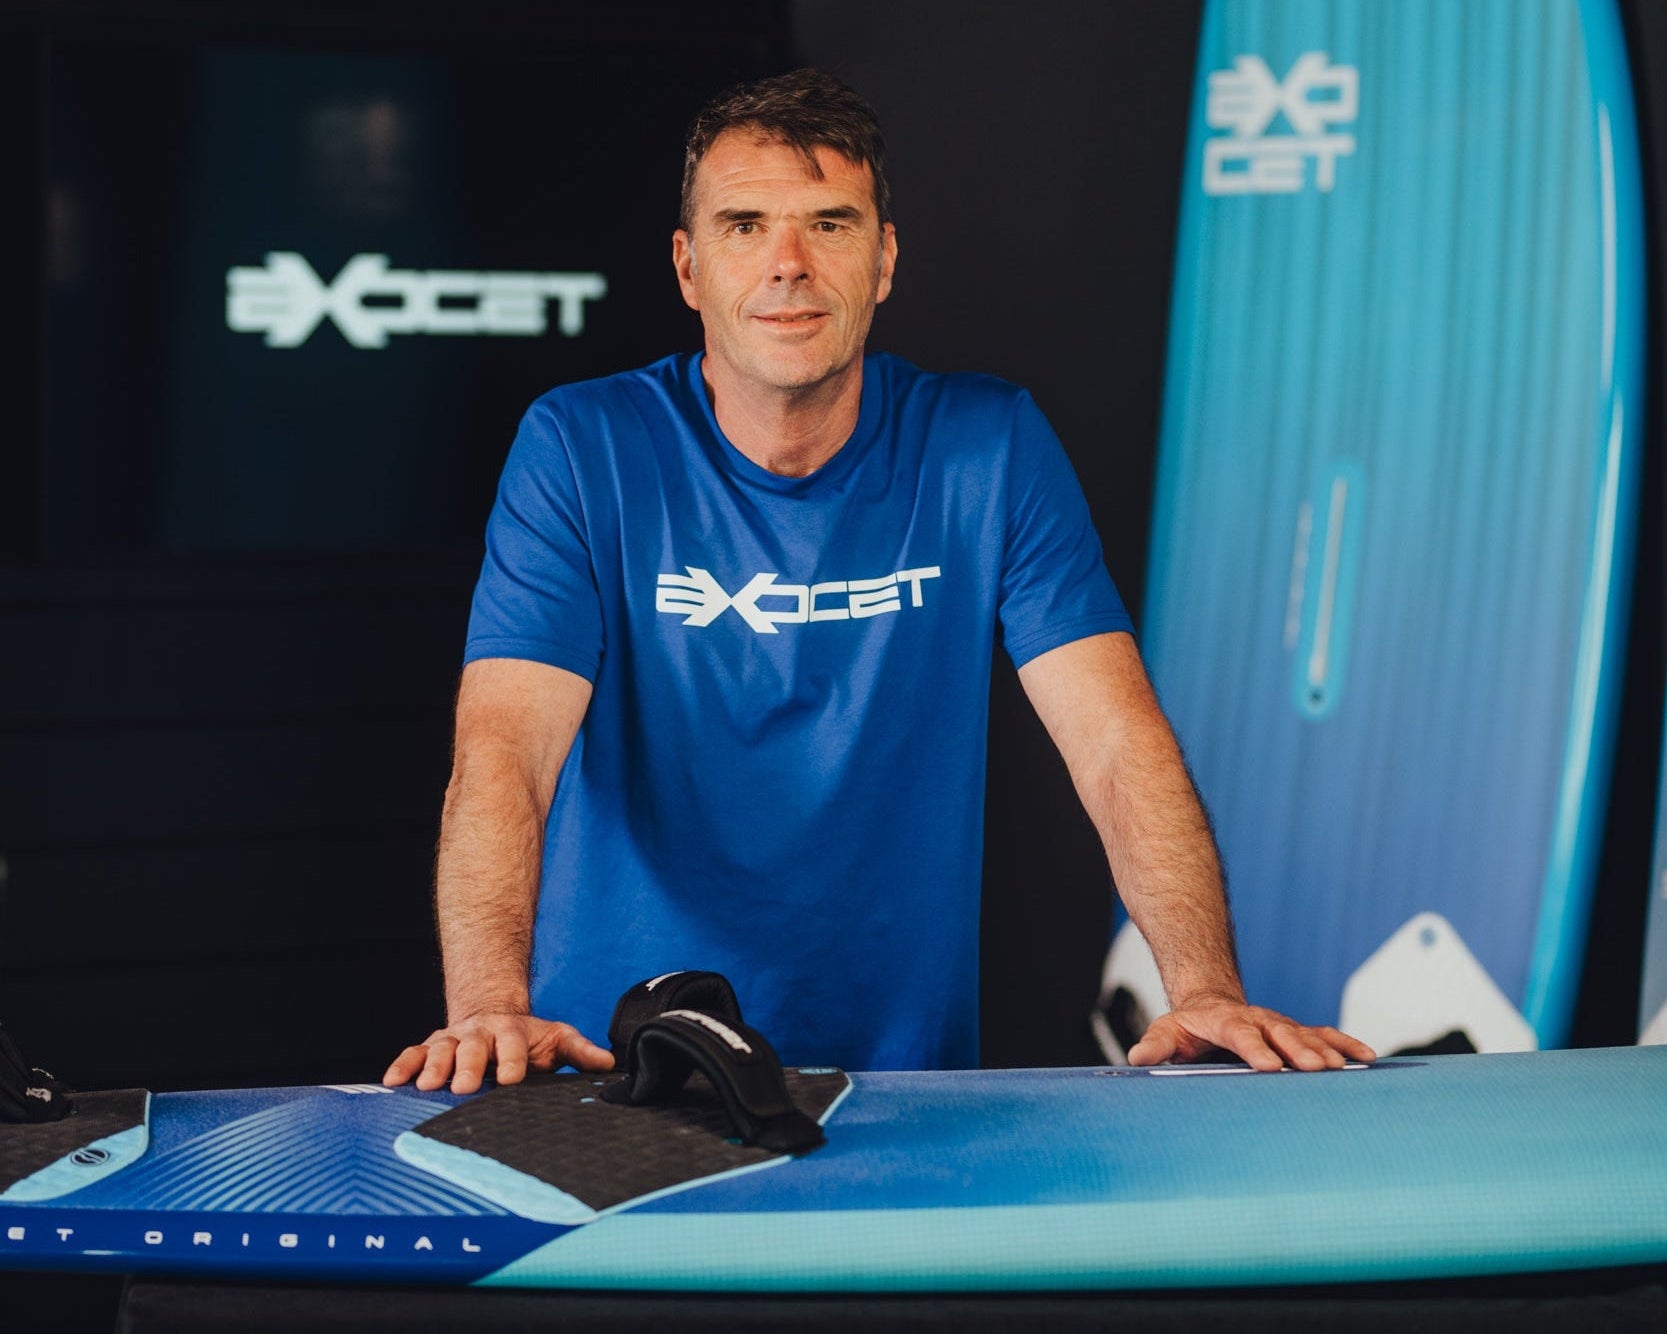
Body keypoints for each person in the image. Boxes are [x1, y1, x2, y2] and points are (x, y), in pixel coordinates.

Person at [384, 69, 1374, 1095]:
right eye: (743, 225)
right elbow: (504, 750)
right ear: (687, 267)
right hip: (619, 1064)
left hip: (906, 1078)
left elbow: (1116, 742)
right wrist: (487, 1006)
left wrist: (1202, 987)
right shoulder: (581, 449)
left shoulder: (985, 446)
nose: (787, 264)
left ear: (883, 258)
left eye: (829, 222)